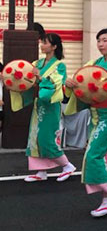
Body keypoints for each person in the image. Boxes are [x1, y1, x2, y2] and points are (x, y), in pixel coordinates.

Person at [64, 28, 107, 217]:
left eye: (105, 40)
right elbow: (82, 84)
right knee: (103, 155)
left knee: (93, 154)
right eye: (99, 41)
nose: (101, 44)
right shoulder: (93, 64)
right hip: (95, 115)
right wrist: (71, 84)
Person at [12, 33, 76, 183]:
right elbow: (29, 80)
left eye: (45, 43)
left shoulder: (60, 65)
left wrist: (39, 76)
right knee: (35, 137)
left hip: (51, 106)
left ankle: (67, 165)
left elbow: (56, 84)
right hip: (39, 104)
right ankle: (41, 171)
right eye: (42, 42)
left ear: (54, 47)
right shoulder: (37, 62)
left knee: (47, 138)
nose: (42, 45)